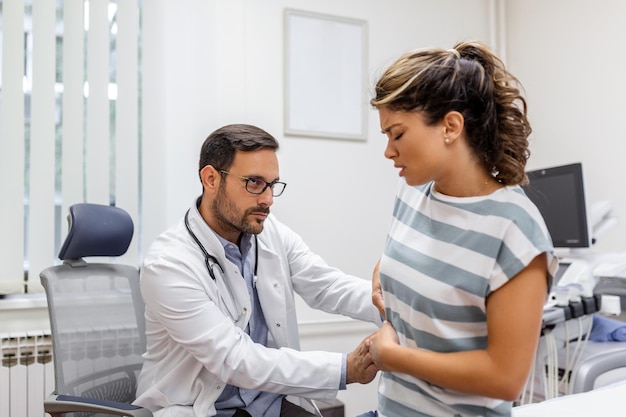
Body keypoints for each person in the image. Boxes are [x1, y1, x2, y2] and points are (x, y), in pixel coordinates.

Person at [361, 41, 558, 417]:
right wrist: (382, 274)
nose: (388, 151)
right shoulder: (412, 193)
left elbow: (504, 378)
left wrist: (394, 356)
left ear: (451, 126)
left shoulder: (515, 230)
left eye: (397, 134)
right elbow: (421, 260)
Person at [134, 124, 382, 417]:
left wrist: (397, 306)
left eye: (272, 184)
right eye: (254, 183)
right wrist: (345, 368)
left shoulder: (269, 233)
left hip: (269, 404)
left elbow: (327, 286)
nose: (268, 199)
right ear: (211, 178)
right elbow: (236, 359)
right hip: (202, 409)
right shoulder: (169, 264)